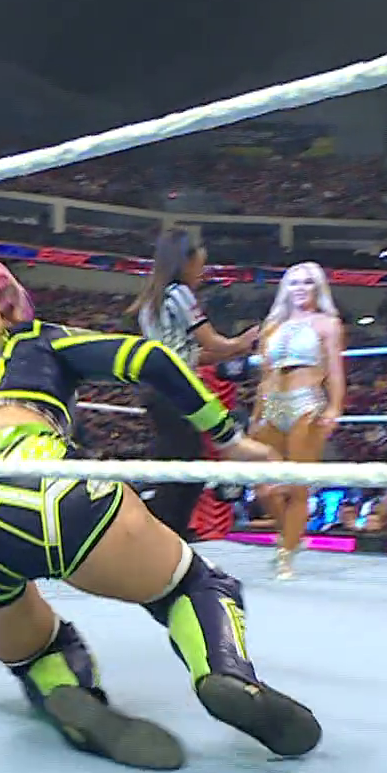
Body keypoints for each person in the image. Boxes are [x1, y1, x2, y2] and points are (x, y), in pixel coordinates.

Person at [0, 259, 320, 772]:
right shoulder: (35, 339)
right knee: (193, 586)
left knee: (38, 651)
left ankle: (67, 696)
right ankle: (224, 672)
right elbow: (151, 358)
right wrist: (231, 440)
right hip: (44, 487)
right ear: (9, 308)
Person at [128, 229, 258, 541]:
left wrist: (233, 350)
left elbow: (190, 353)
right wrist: (242, 342)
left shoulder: (152, 300)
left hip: (157, 389)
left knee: (177, 461)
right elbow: (210, 341)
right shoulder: (179, 294)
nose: (201, 274)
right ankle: (164, 535)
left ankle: (165, 533)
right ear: (184, 262)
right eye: (199, 266)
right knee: (187, 465)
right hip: (175, 390)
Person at [250, 263, 346, 579]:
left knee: (297, 486)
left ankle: (285, 555)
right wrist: (255, 415)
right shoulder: (271, 326)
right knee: (264, 488)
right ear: (285, 289)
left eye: (307, 282)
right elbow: (264, 376)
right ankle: (291, 535)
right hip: (271, 405)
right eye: (294, 283)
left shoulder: (328, 324)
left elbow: (335, 370)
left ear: (317, 288)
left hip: (307, 404)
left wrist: (335, 407)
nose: (301, 288)